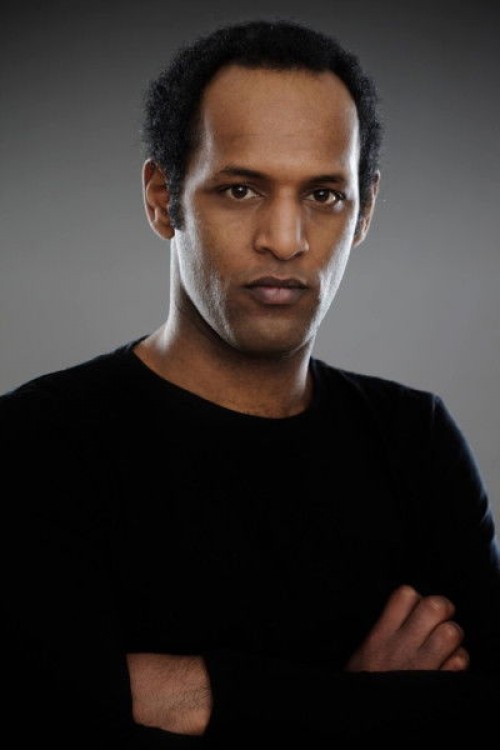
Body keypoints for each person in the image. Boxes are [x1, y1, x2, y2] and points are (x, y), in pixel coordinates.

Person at [1, 18, 499, 747]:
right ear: (162, 198)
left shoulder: (415, 440)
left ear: (364, 212)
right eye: (240, 189)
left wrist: (200, 696)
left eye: (324, 195)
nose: (285, 240)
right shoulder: (37, 442)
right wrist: (365, 703)